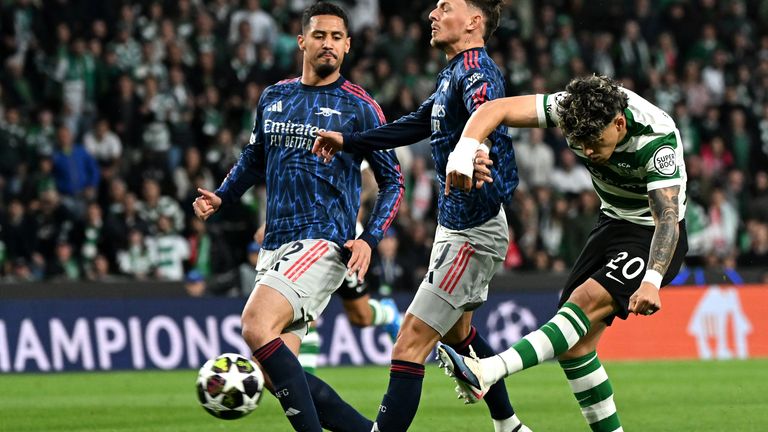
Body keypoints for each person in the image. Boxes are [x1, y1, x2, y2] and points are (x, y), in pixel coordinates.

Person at [313, 1, 529, 431]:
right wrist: (351, 141)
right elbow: (417, 122)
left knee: (409, 345)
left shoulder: (477, 73)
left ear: (474, 22)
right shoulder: (454, 70)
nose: (432, 11)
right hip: (457, 226)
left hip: (472, 233)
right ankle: (509, 425)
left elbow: (487, 113)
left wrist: (477, 154)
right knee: (457, 335)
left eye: (445, 6)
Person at [192, 3, 404, 432]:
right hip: (275, 246)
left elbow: (393, 182)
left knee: (254, 324)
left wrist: (370, 237)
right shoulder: (274, 96)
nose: (328, 44)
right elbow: (255, 157)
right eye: (320, 35)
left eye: (337, 37)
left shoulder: (360, 107)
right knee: (275, 374)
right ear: (302, 40)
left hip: (322, 240)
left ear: (347, 46)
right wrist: (223, 197)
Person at [437, 75, 689, 432]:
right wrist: (463, 152)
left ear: (619, 123)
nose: (587, 152)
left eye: (595, 141)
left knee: (582, 304)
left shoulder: (656, 138)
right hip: (611, 222)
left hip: (652, 231)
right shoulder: (572, 109)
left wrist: (651, 279)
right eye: (580, 143)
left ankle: (487, 370)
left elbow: (667, 216)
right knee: (575, 348)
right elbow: (496, 108)